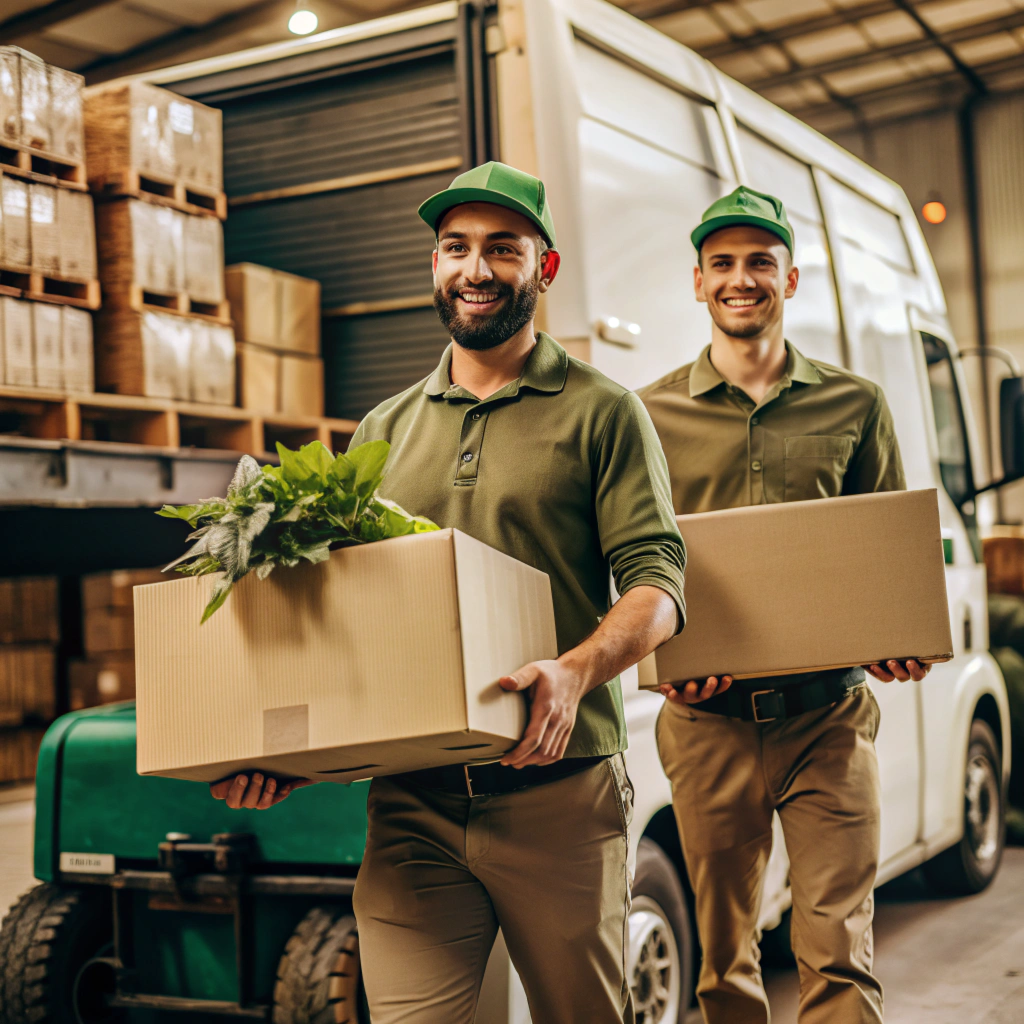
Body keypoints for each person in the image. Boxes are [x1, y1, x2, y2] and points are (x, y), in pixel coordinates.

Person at [211, 161, 687, 1024]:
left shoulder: (604, 411)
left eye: (501, 249)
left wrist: (576, 671)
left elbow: (659, 583)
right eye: (454, 248)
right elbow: (342, 616)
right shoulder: (383, 429)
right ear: (435, 265)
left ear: (541, 268)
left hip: (560, 798)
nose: (475, 269)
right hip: (412, 806)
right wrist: (282, 747)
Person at [638, 186, 930, 1024]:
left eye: (759, 263)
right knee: (724, 960)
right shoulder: (648, 416)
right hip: (707, 727)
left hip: (829, 720)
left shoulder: (856, 404)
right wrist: (664, 667)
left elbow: (885, 557)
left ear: (789, 279)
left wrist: (898, 640)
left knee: (839, 950)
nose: (741, 279)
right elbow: (633, 563)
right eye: (722, 264)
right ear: (697, 283)